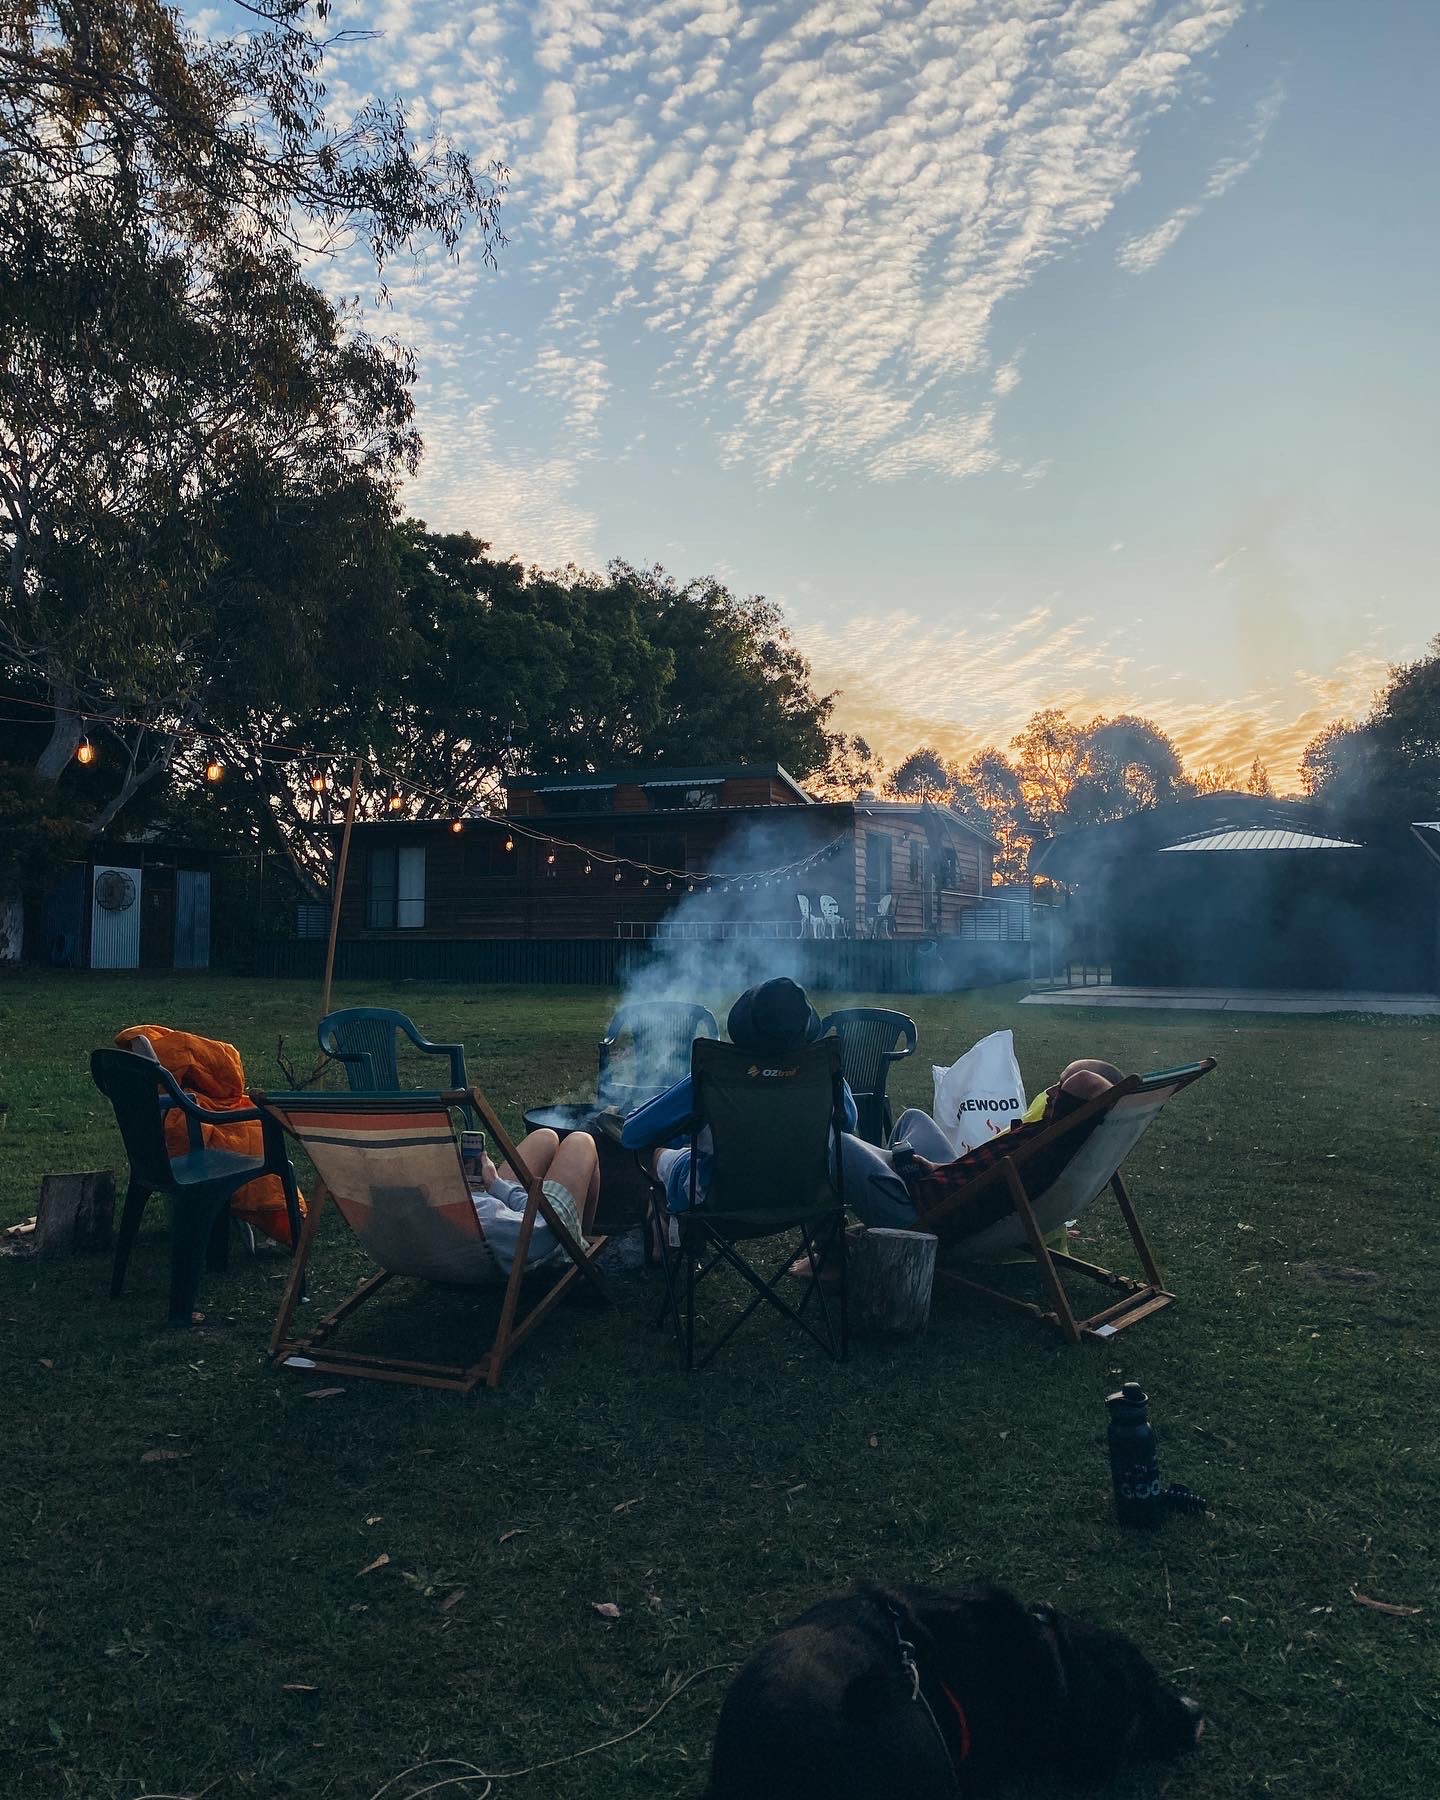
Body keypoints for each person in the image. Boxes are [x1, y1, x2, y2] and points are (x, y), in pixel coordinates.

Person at [620, 977, 860, 1217]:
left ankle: (666, 1229)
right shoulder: (824, 1074)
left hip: (718, 1201)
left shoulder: (716, 1075)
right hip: (804, 1196)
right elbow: (848, 1122)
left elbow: (632, 1132)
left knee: (652, 1151)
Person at [467, 1127, 599, 1277]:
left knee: (544, 1137)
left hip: (482, 1219)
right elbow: (540, 1219)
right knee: (581, 1141)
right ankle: (577, 1255)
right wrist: (497, 1186)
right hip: (538, 1234)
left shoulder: (437, 1209)